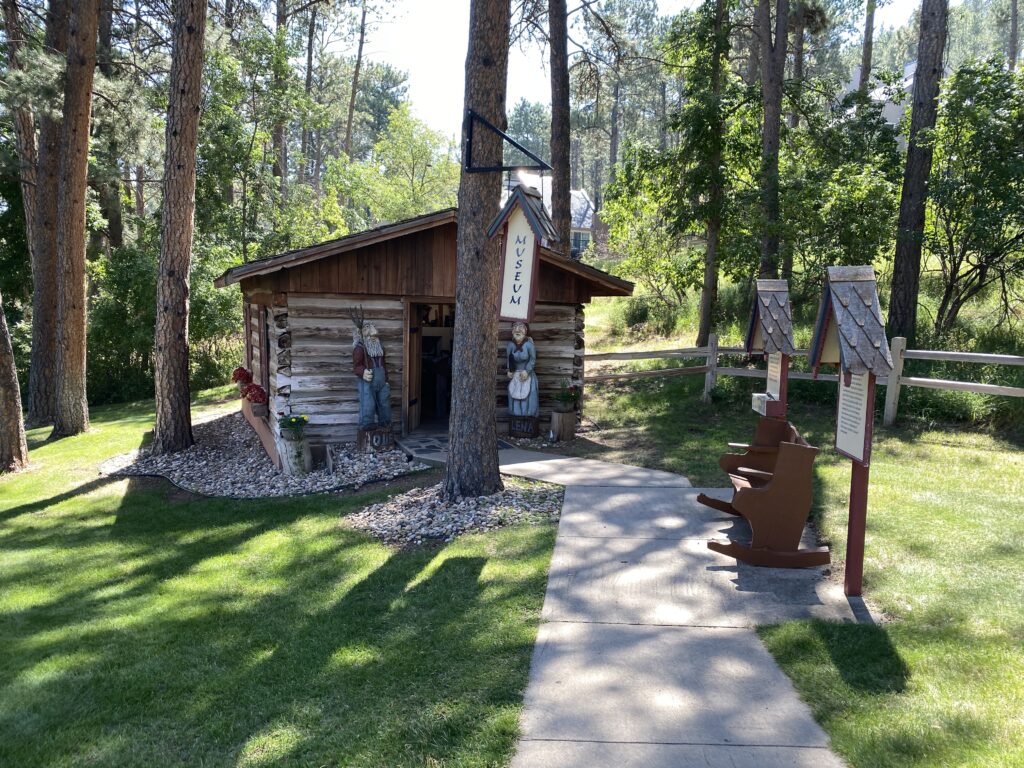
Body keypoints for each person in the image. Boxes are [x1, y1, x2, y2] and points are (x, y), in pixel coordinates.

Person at [353, 321, 391, 430]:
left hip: (382, 380)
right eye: (370, 336)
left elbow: (383, 364)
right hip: (368, 381)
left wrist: (386, 379)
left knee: (384, 402)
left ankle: (385, 422)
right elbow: (356, 366)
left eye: (375, 336)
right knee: (368, 402)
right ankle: (367, 423)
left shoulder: (380, 349)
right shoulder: (359, 349)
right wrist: (363, 371)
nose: (374, 337)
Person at [506, 321, 539, 418]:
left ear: (525, 331)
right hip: (516, 375)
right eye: (515, 327)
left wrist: (527, 371)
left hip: (527, 375)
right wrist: (509, 370)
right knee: (514, 394)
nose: (517, 330)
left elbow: (533, 359)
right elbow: (509, 359)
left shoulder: (529, 345)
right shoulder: (510, 345)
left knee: (528, 395)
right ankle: (516, 417)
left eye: (520, 327)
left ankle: (528, 417)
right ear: (512, 331)